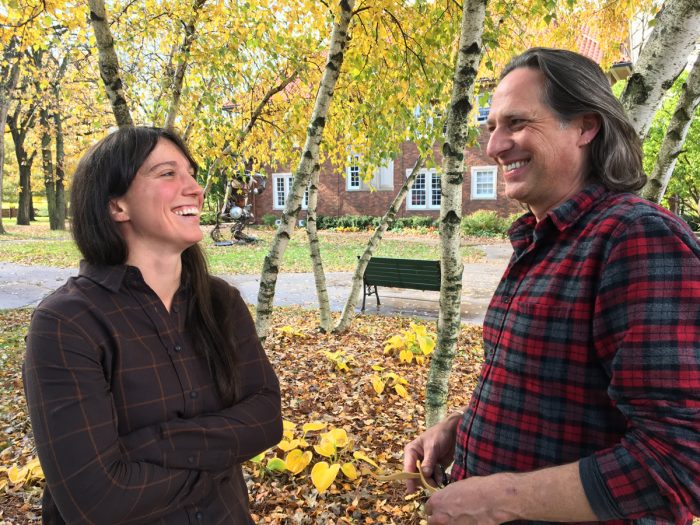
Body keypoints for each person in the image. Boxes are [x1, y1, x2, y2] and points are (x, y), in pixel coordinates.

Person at [404, 48, 700, 524]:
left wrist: (501, 498)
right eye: (491, 127)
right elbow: (557, 399)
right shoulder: (542, 239)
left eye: (517, 124)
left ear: (585, 127)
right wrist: (463, 429)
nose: (496, 146)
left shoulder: (635, 238)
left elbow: (679, 460)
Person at [24, 127, 283, 524]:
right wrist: (218, 455)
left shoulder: (221, 303)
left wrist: (152, 444)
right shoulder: (67, 324)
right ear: (117, 207)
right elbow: (96, 502)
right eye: (167, 174)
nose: (194, 188)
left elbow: (266, 419)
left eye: (192, 174)